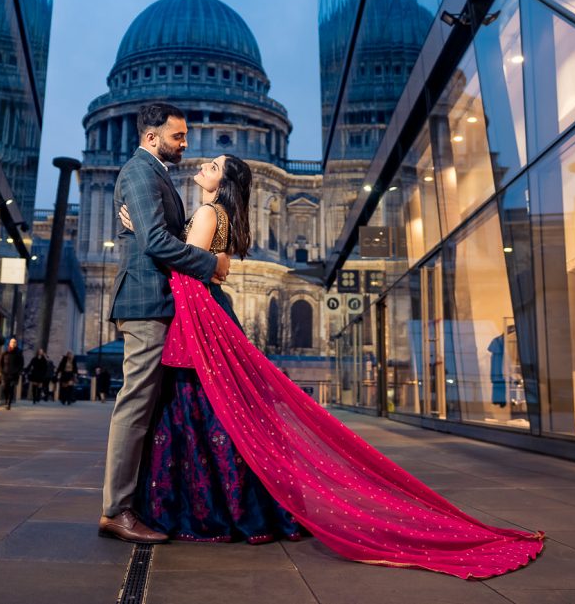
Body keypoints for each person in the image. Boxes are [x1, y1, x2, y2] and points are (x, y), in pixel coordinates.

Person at [118, 153, 545, 579]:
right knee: (224, 418)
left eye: (213, 164)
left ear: (223, 180)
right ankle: (243, 507)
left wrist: (145, 234)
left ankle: (215, 509)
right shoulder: (217, 212)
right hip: (207, 318)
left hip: (199, 324)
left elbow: (188, 265)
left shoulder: (210, 212)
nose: (203, 162)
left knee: (203, 417)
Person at [98, 103, 230, 545]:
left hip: (159, 300)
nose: (186, 143)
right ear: (152, 137)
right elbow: (155, 241)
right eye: (178, 136)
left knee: (152, 406)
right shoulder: (139, 172)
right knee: (136, 405)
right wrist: (211, 263)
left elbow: (154, 236)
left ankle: (142, 502)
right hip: (146, 301)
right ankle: (117, 510)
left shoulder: (154, 174)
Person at [0, 338, 25, 410]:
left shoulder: (19, 353)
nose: (13, 344)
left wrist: (19, 371)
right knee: (5, 388)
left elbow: (21, 364)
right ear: (9, 344)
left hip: (14, 374)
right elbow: (1, 363)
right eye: (12, 342)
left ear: (16, 344)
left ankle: (9, 403)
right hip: (5, 373)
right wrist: (1, 371)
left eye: (14, 342)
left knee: (11, 388)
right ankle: (6, 399)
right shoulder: (5, 352)